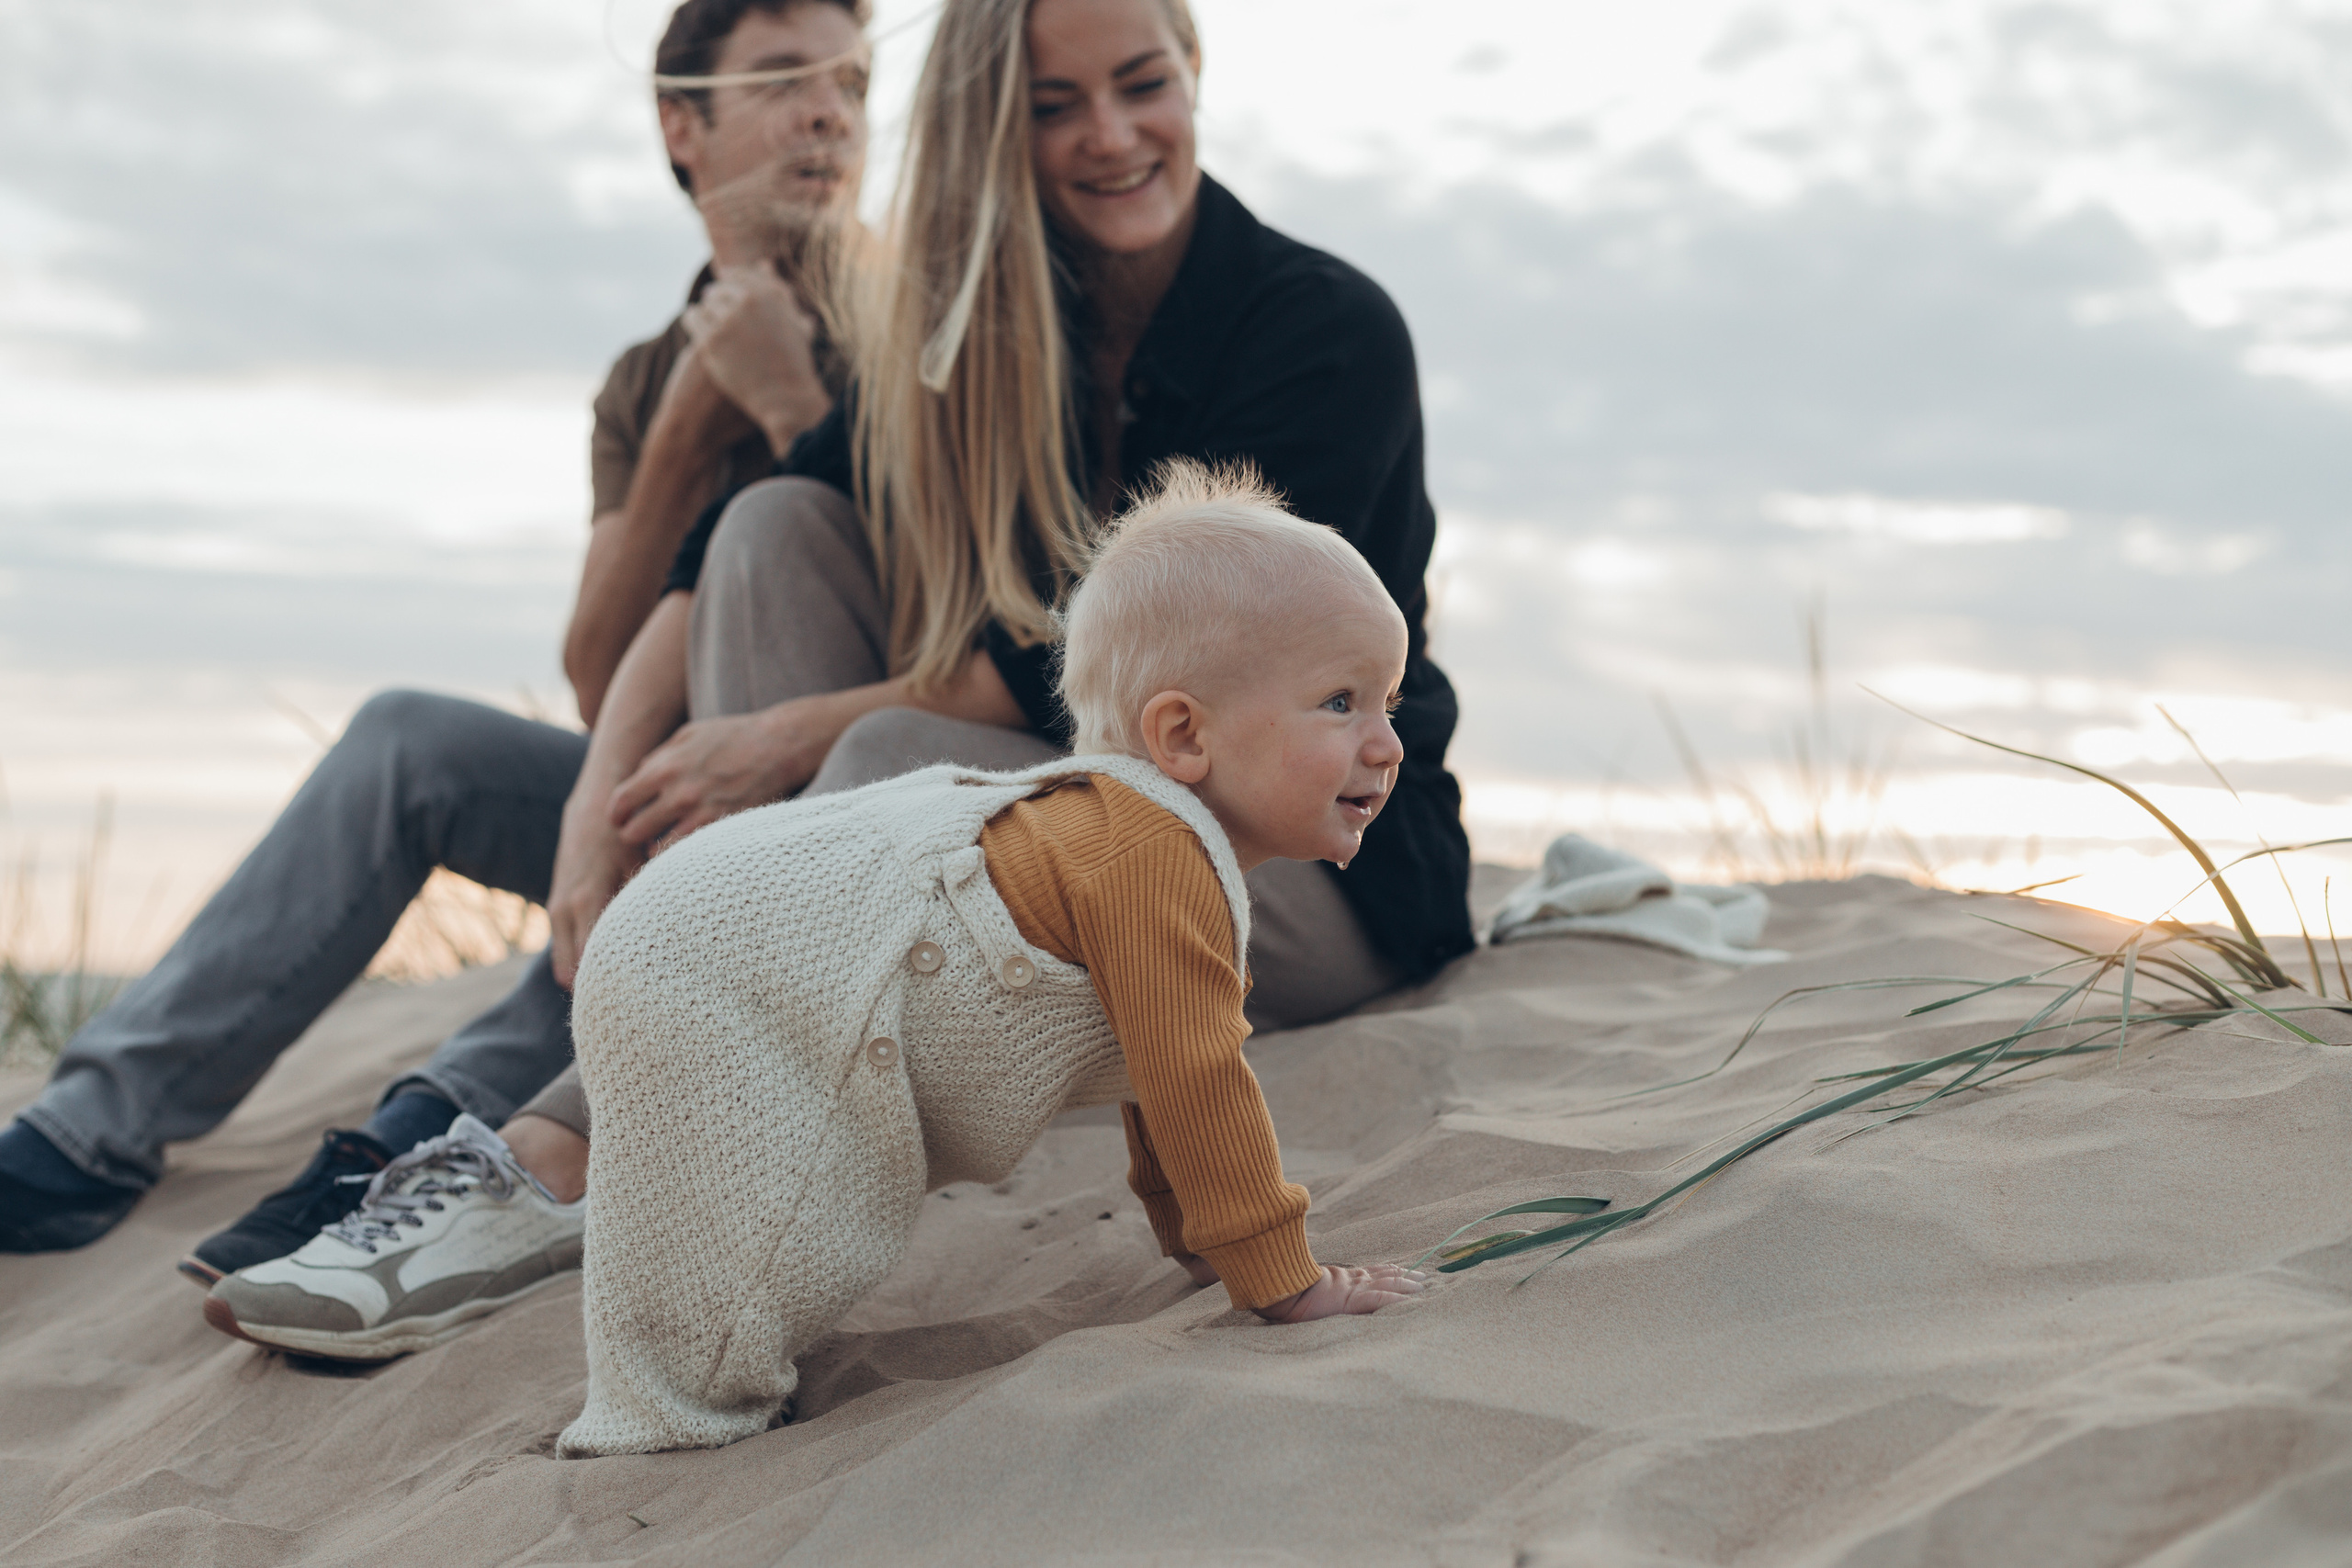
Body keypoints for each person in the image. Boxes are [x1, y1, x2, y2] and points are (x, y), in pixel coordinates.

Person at [192, 0, 1478, 1352]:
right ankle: (656, 1120)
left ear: (1193, 76)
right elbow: (701, 563)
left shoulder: (1322, 328)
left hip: (1293, 873)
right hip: (1066, 851)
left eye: (1142, 83)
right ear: (996, 131)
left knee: (884, 784)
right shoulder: (981, 323)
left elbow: (1134, 679)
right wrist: (594, 807)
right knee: (775, 529)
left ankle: (562, 1153)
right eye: (1052, 106)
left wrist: (791, 733)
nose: (1110, 136)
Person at [210, 466, 1435, 1447]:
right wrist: (1284, 1278)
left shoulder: (1115, 827)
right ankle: (663, 1422)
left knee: (705, 1203)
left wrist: (1193, 1245)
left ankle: (649, 1350)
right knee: (743, 1257)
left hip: (705, 929)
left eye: (1385, 702)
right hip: (736, 967)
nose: (1386, 743)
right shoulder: (1158, 856)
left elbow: (1152, 1093)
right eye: (1341, 703)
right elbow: (1199, 1081)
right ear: (1183, 734)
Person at [0, 0, 871, 1263]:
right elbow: (592, 673)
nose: (829, 115)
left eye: (851, 85)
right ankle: (85, 1135)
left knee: (666, 849)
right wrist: (689, 419)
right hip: (642, 795)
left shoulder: (920, 318)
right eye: (786, 78)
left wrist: (793, 397)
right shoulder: (643, 376)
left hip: (836, 809)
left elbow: (930, 629)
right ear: (683, 123)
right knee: (408, 737)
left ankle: (416, 1138)